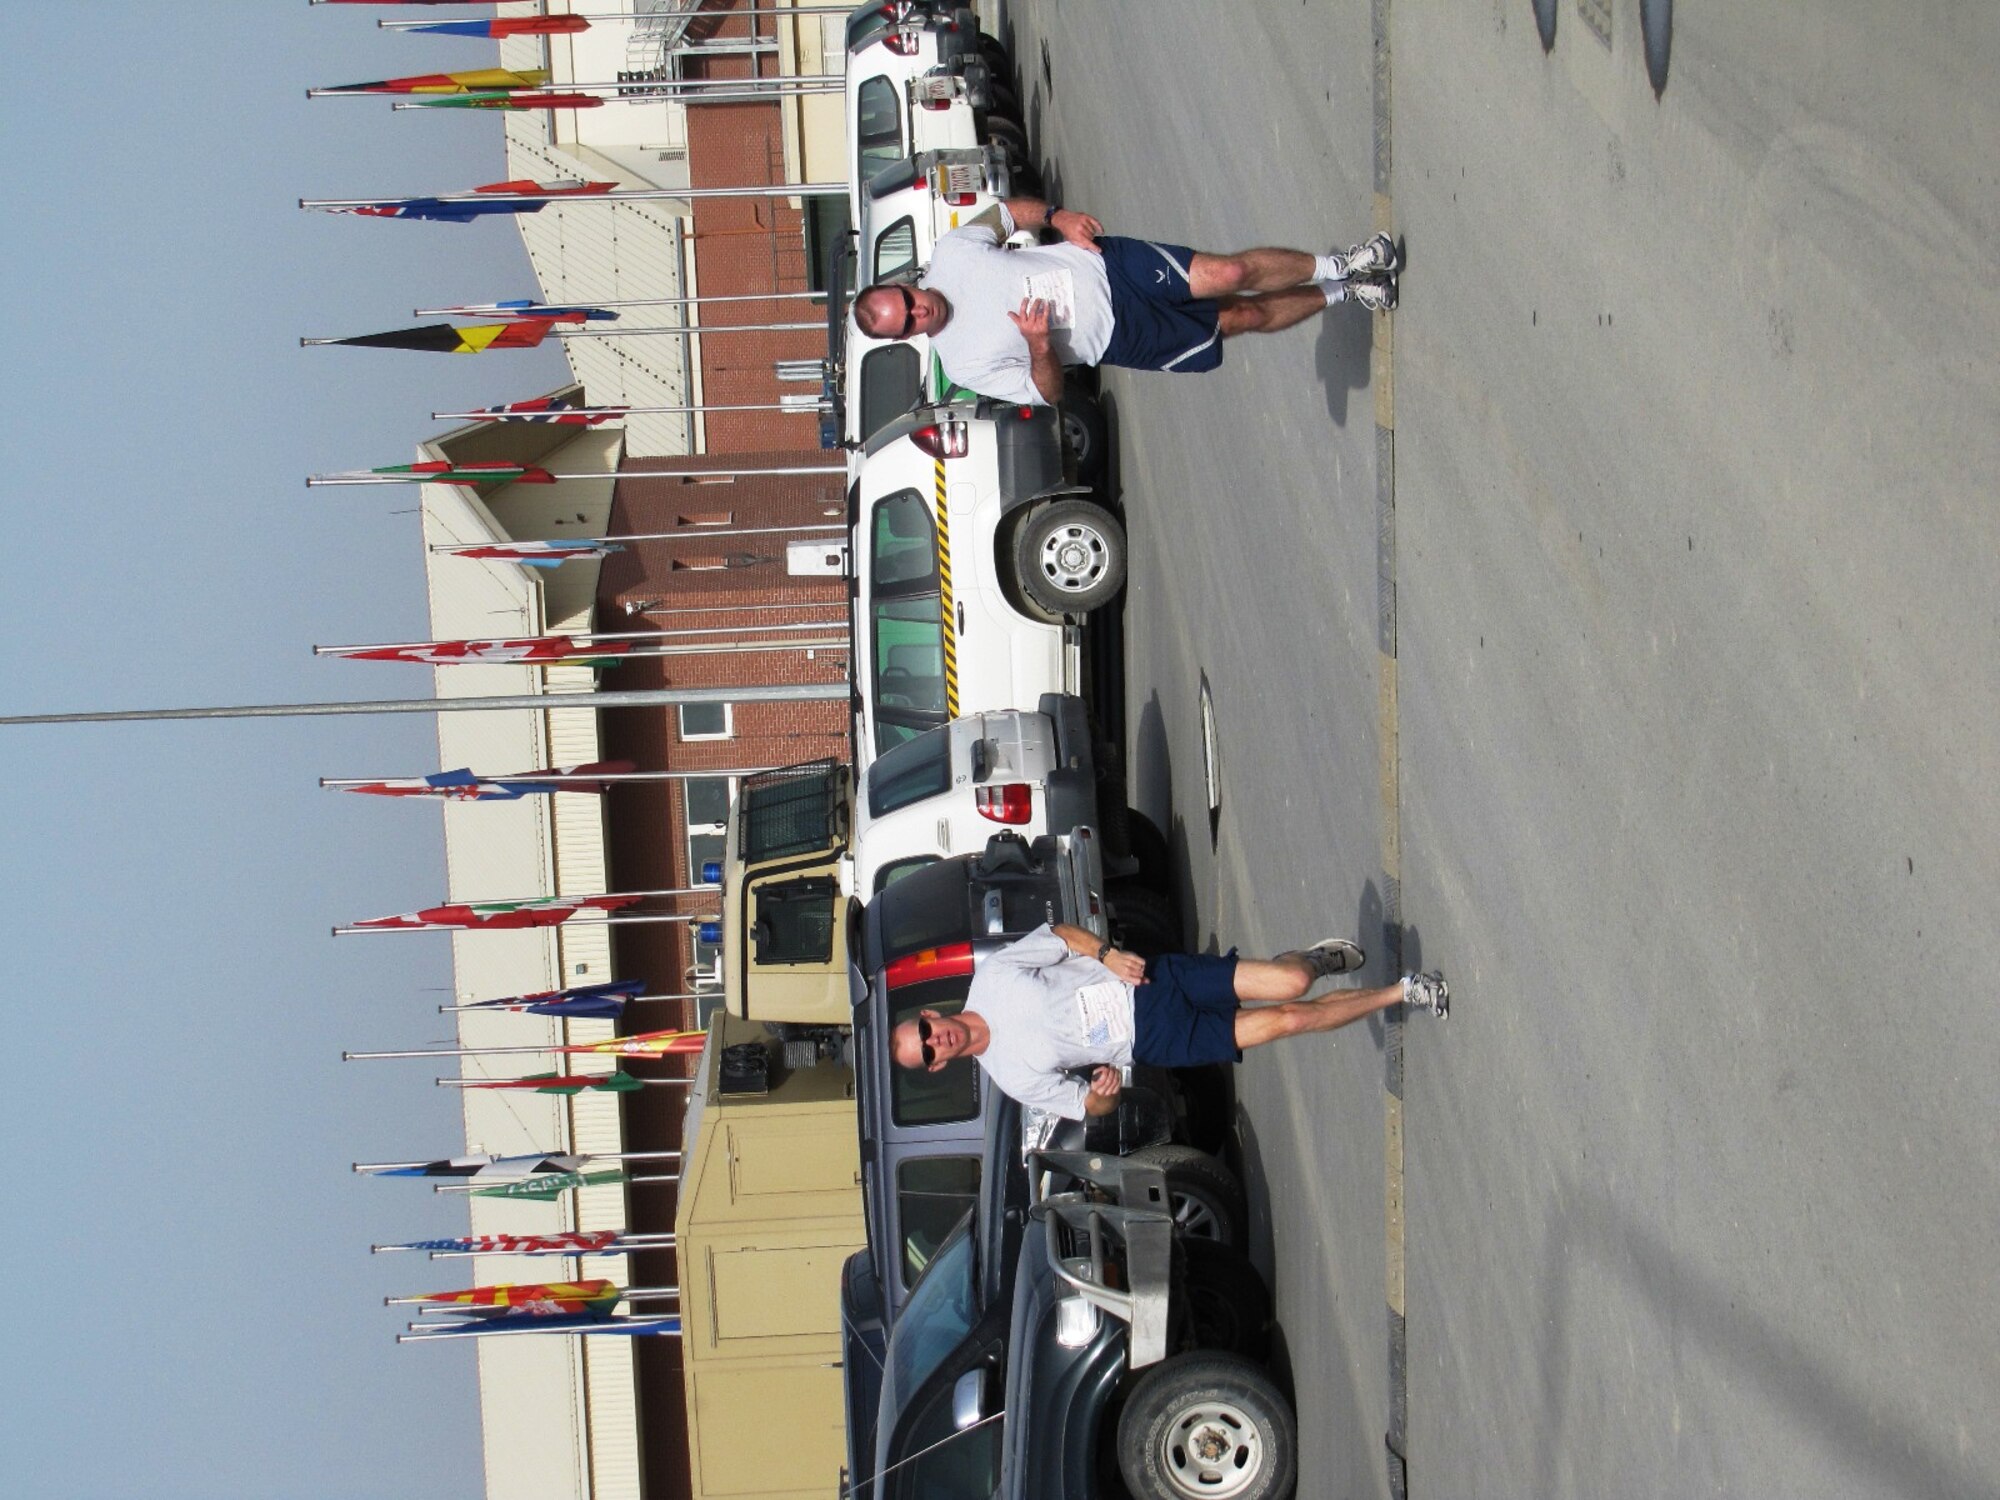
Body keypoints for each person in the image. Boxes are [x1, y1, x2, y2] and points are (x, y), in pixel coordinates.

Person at [851, 195, 1400, 408]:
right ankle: (1346, 291)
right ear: (907, 336)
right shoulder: (963, 364)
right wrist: (1039, 346)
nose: (919, 311)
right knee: (1243, 315)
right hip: (1120, 338)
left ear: (906, 284)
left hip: (1110, 267)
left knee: (1230, 272)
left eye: (908, 300)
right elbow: (1047, 393)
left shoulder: (952, 252)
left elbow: (1008, 214)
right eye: (908, 323)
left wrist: (1059, 217)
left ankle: (1341, 263)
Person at [890, 924, 1447, 1120]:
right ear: (938, 1067)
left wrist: (1106, 954)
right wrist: (1104, 1093)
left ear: (930, 1016)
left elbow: (1058, 936)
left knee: (1293, 984)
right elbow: (1086, 1107)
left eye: (925, 1033)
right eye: (929, 1053)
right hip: (1156, 1041)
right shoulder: (1011, 1077)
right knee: (1285, 1021)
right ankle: (1403, 991)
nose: (936, 1041)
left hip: (1150, 982)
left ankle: (1311, 961)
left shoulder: (992, 978)